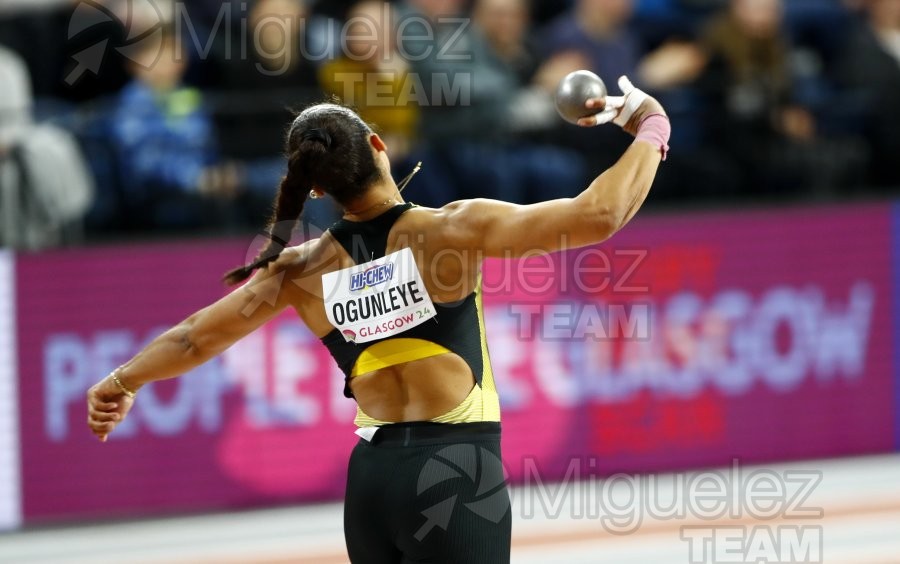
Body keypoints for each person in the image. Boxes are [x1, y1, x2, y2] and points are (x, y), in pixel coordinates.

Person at [86, 77, 670, 563]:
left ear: (314, 187)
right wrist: (652, 127)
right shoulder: (450, 230)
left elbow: (192, 339)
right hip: (457, 472)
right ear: (378, 144)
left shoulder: (299, 269)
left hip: (371, 483)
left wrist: (121, 382)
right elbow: (598, 214)